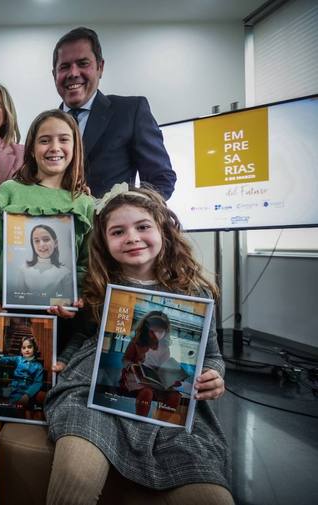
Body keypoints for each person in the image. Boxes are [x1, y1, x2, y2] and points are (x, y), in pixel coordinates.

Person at [44, 184, 232, 504]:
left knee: (212, 496)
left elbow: (212, 355)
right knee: (75, 475)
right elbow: (81, 336)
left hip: (168, 400)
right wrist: (63, 359)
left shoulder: (195, 292)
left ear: (164, 230)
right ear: (104, 242)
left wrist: (214, 375)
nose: (131, 237)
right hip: (92, 390)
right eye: (118, 232)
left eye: (143, 227)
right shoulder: (98, 285)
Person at [0, 109, 93, 321]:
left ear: (76, 147)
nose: (54, 148)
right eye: (44, 141)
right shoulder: (10, 191)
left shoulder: (84, 203)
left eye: (63, 139)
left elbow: (87, 263)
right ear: (32, 149)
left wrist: (77, 297)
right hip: (7, 314)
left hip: (62, 319)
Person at [52, 26, 176, 199]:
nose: (73, 73)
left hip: (110, 225)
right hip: (55, 226)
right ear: (54, 74)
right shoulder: (45, 127)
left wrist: (133, 214)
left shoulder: (130, 111)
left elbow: (161, 178)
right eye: (64, 66)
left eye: (83, 63)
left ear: (100, 67)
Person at [21, 224, 72, 305]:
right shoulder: (23, 270)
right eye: (37, 241)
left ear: (55, 243)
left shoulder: (65, 273)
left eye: (46, 239)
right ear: (32, 245)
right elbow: (18, 300)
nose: (41, 244)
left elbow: (68, 302)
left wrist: (39, 301)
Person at [0, 335, 44, 408]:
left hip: (25, 390)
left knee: (17, 404)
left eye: (29, 347)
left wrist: (27, 395)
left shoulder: (38, 366)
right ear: (21, 351)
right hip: (12, 387)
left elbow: (37, 383)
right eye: (24, 348)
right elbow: (5, 360)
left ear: (34, 348)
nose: (27, 350)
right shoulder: (18, 359)